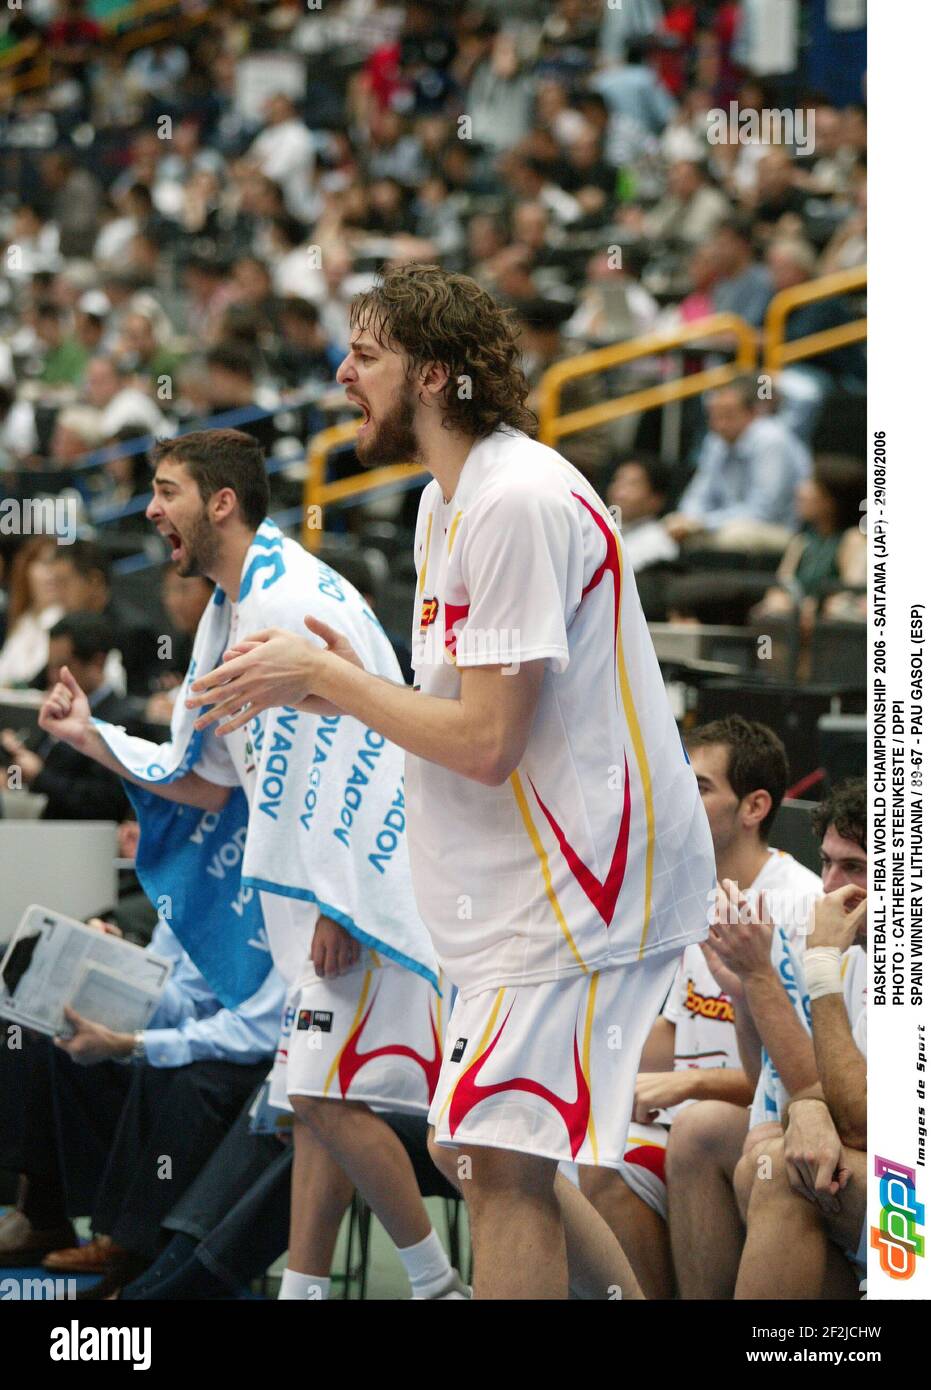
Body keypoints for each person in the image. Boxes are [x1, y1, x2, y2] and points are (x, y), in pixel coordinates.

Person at [185, 263, 717, 1300]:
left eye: (366, 355)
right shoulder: (449, 503)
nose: (340, 375)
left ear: (434, 377)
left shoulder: (516, 502)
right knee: (475, 1149)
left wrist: (329, 673)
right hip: (525, 880)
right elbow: (453, 718)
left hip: (582, 877)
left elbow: (485, 742)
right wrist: (333, 689)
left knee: (494, 1156)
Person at [38, 427, 466, 1303]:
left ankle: (435, 1284)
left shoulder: (287, 603)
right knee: (311, 1104)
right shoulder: (234, 605)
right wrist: (93, 736)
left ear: (219, 502)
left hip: (359, 892)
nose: (151, 511)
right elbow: (204, 782)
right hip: (324, 898)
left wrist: (343, 909)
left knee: (330, 1101)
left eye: (166, 492)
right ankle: (305, 1291)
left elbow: (361, 761)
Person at [583, 716, 820, 1298]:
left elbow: (805, 1080)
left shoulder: (803, 903)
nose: (680, 801)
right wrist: (596, 1075)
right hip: (684, 1119)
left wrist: (688, 1087)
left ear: (754, 806)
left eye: (701, 787)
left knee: (656, 1146)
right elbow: (674, 1029)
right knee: (566, 1146)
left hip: (760, 1125)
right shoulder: (693, 891)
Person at [0, 915, 283, 1294]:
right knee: (47, 1039)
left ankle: (136, 1259)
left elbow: (256, 1032)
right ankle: (43, 1214)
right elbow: (183, 1000)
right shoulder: (190, 881)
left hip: (264, 1057)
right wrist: (120, 968)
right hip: (201, 1035)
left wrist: (136, 1045)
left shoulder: (284, 898)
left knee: (182, 1079)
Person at [732, 780, 868, 1299]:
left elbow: (863, 1123)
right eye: (826, 863)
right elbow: (814, 1088)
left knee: (778, 1177)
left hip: (912, 1193)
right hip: (895, 1188)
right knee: (765, 1163)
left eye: (853, 867)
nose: (829, 888)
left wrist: (818, 969)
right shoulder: (857, 954)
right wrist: (806, 1112)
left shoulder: (838, 958)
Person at [1, 613, 137, 821]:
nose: (53, 676)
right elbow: (24, 780)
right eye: (51, 666)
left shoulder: (123, 719)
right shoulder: (56, 707)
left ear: (97, 662)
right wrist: (13, 762)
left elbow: (106, 803)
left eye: (64, 666)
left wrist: (39, 776)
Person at [664, 376, 811, 551]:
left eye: (728, 416)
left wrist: (701, 523)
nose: (719, 424)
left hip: (779, 530)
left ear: (752, 413)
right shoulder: (715, 441)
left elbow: (763, 511)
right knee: (667, 529)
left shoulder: (771, 440)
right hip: (724, 523)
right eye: (714, 416)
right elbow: (699, 493)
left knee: (732, 536)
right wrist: (685, 519)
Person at [0, 537, 63, 688]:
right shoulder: (23, 620)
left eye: (58, 564)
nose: (52, 573)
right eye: (45, 563)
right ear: (26, 568)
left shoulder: (66, 621)